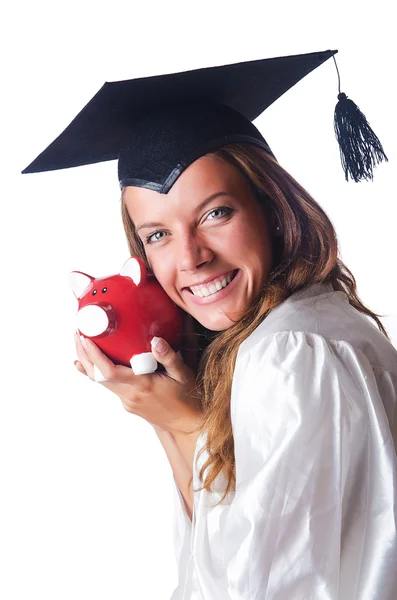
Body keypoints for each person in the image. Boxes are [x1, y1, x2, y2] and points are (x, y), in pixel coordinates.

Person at [22, 50, 396, 599]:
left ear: (271, 206)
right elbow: (216, 563)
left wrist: (189, 428)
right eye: (157, 235)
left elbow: (253, 589)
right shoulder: (304, 328)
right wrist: (165, 415)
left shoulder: (291, 352)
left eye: (215, 213)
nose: (191, 257)